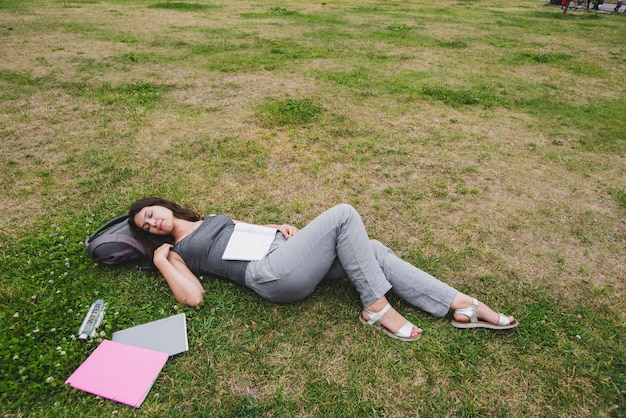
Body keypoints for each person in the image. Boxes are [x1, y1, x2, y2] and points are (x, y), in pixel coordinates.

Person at [128, 197, 518, 342]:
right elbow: (193, 296)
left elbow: (241, 230)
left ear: (162, 204)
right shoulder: (175, 250)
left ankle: (460, 305)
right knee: (344, 214)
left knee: (373, 249)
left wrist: (276, 227)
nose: (154, 223)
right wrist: (161, 259)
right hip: (270, 275)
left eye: (151, 214)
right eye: (147, 227)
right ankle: (377, 307)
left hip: (285, 252)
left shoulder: (208, 216)